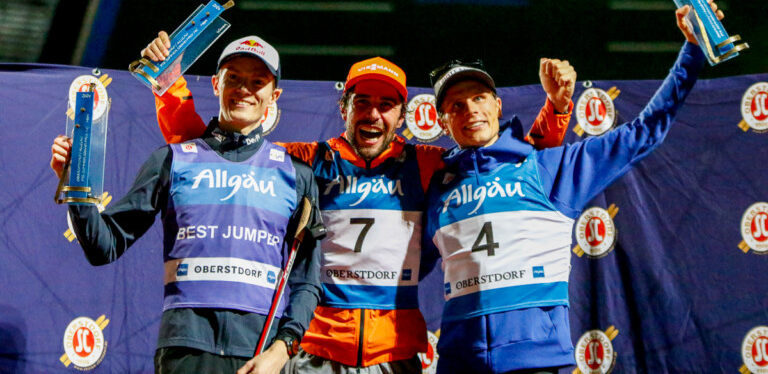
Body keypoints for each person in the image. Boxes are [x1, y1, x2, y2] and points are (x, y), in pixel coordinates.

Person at [142, 33, 576, 372]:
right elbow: (207, 157)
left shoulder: (425, 164)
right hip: (313, 349)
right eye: (362, 102)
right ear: (344, 107)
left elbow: (511, 167)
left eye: (386, 105)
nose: (373, 114)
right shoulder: (305, 162)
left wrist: (555, 110)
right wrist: (170, 89)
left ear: (402, 116)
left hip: (395, 352)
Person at [422, 0, 719, 374]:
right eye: (456, 106)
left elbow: (644, 132)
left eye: (478, 98)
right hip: (459, 365)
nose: (470, 110)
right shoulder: (434, 187)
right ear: (443, 122)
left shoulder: (549, 168)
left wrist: (693, 51)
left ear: (498, 104)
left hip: (539, 363)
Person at [50, 36, 324, 374]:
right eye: (233, 78)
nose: (244, 89)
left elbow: (307, 282)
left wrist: (280, 352)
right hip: (185, 353)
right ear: (215, 84)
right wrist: (77, 183)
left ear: (274, 96)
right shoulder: (173, 160)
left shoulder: (295, 175)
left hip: (262, 356)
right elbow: (102, 247)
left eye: (258, 81)